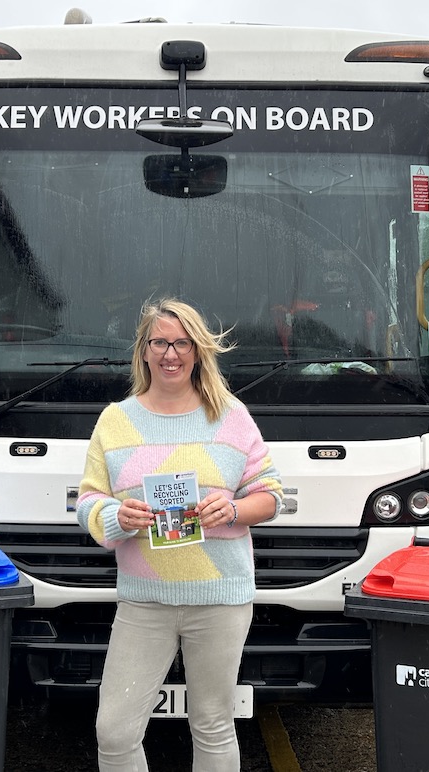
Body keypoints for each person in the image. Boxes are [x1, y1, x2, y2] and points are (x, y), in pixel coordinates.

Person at [77, 298, 284, 772]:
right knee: (114, 730)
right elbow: (87, 501)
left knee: (212, 724)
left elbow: (271, 496)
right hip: (143, 602)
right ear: (144, 350)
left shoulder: (231, 416)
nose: (171, 353)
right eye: (160, 342)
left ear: (197, 351)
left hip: (220, 599)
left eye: (182, 343)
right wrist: (116, 517)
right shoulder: (115, 420)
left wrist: (232, 509)